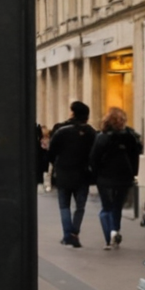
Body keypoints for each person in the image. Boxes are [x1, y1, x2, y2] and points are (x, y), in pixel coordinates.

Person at [89, 107, 143, 250]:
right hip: (124, 177)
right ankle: (115, 230)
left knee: (106, 208)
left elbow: (93, 158)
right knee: (117, 206)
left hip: (104, 178)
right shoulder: (129, 137)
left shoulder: (102, 137)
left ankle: (108, 238)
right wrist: (133, 174)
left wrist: (96, 174)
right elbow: (135, 157)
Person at [47, 101, 97, 248]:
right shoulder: (91, 132)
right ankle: (74, 233)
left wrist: (56, 164)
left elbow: (51, 152)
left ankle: (67, 235)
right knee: (80, 206)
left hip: (63, 172)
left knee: (64, 206)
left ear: (73, 113)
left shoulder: (60, 130)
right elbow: (95, 153)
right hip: (83, 173)